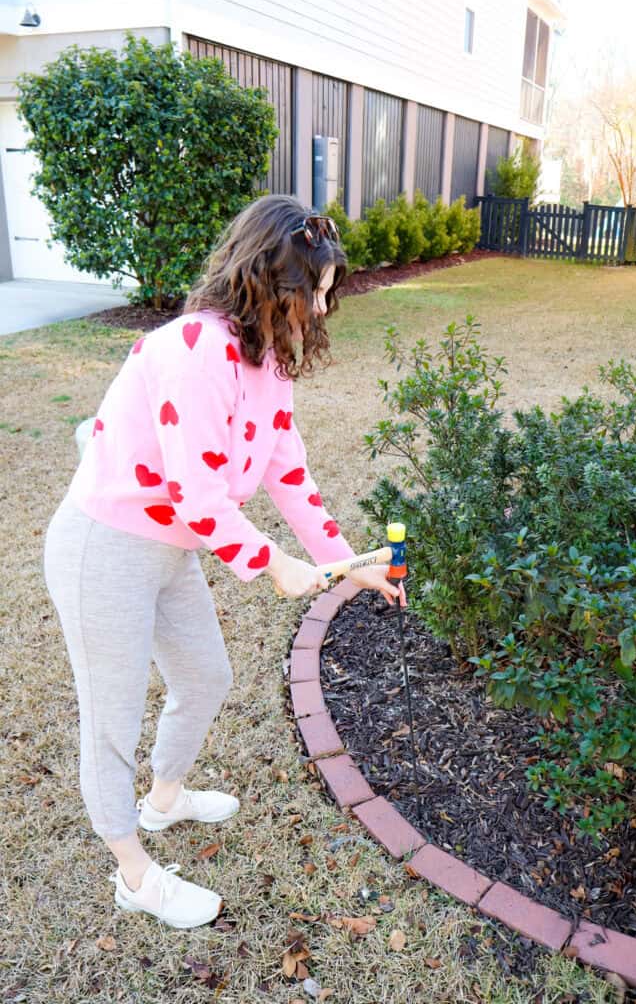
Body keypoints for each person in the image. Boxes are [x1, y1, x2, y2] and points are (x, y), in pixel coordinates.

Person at [43, 194, 406, 930]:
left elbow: (288, 473)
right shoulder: (189, 350)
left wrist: (346, 561)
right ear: (269, 281)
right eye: (316, 292)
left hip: (167, 550)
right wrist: (275, 565)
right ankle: (134, 874)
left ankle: (166, 799)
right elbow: (196, 493)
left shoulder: (266, 361)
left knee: (207, 676)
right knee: (110, 719)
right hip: (103, 547)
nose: (323, 307)